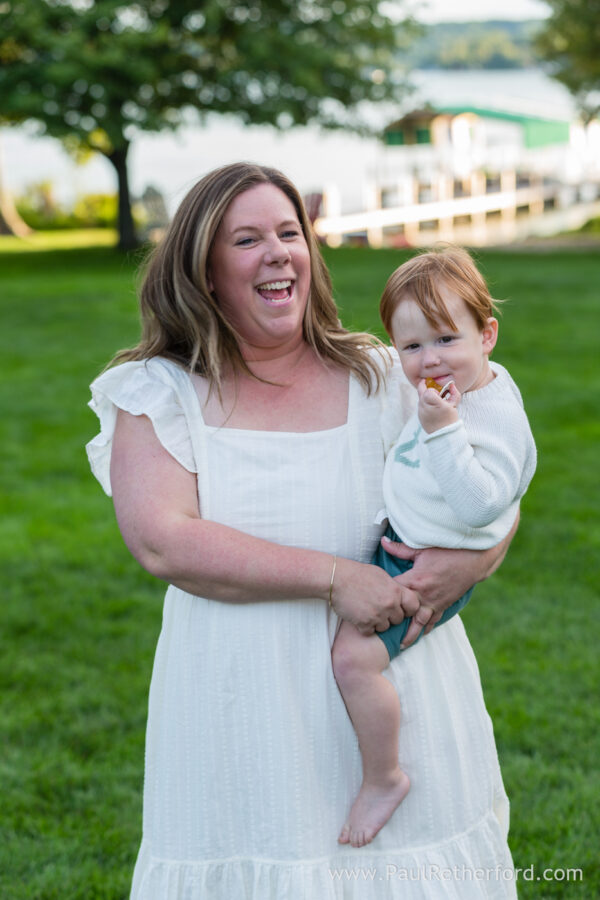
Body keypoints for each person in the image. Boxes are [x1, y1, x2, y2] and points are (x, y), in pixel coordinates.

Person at [86, 162, 519, 899]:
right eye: (247, 238)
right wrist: (336, 576)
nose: (278, 252)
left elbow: (490, 484)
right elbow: (164, 539)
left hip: (400, 687)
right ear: (205, 269)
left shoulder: (386, 376)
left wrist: (469, 567)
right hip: (242, 707)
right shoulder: (158, 392)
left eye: (290, 233)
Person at [332, 246, 536, 849]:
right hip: (409, 544)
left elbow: (482, 504)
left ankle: (384, 777)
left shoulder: (485, 417)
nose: (429, 360)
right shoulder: (459, 390)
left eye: (447, 339)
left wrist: (443, 432)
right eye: (412, 347)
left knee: (352, 660)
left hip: (424, 570)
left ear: (488, 334)